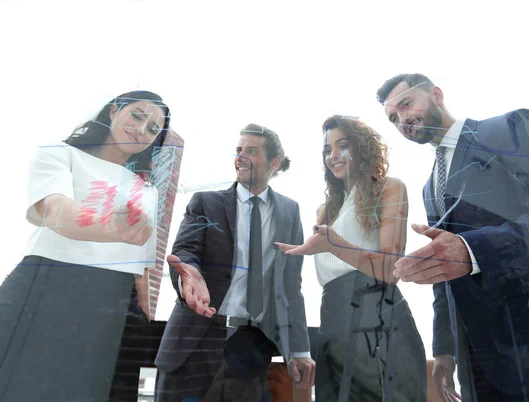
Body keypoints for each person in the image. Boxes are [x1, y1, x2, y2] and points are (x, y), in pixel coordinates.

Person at [376, 73, 529, 401]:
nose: (403, 119)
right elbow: (445, 266)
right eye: (393, 118)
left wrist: (473, 249)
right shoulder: (429, 189)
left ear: (436, 94)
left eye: (406, 105)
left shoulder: (510, 128)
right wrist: (445, 351)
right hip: (481, 360)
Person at [0, 90, 170, 401]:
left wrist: (143, 323)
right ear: (113, 112)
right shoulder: (60, 154)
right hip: (48, 285)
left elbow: (140, 267)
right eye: (137, 115)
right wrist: (110, 226)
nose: (142, 129)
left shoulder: (148, 191)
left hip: (115, 304)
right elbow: (55, 211)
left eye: (153, 128)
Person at [154, 123, 316, 402]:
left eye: (251, 151)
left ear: (274, 162)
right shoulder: (206, 202)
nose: (239, 157)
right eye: (238, 150)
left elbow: (291, 287)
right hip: (196, 337)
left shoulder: (290, 211)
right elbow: (185, 250)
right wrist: (189, 274)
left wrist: (299, 350)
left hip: (251, 345)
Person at [276, 115, 427, 402]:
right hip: (332, 322)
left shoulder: (389, 188)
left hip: (376, 317)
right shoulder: (326, 210)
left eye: (342, 145)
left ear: (361, 148)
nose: (333, 156)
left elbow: (389, 269)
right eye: (327, 150)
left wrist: (334, 245)